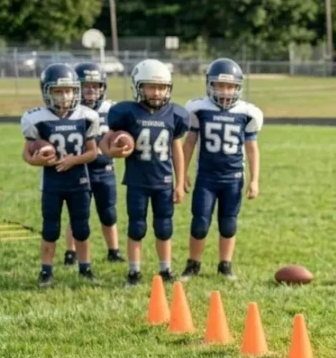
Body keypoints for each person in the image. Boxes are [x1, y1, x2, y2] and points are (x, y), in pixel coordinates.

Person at [101, 59, 189, 286]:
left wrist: (180, 184)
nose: (156, 92)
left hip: (163, 182)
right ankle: (134, 271)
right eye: (150, 86)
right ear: (138, 87)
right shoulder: (126, 113)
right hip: (137, 181)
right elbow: (105, 144)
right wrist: (115, 151)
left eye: (161, 87)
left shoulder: (174, 115)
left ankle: (165, 269)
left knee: (164, 227)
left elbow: (177, 151)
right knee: (136, 226)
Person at [180, 58, 263, 280]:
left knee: (228, 223)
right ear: (210, 85)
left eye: (230, 86)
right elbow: (189, 143)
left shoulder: (247, 112)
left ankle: (225, 264)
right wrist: (182, 174)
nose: (225, 91)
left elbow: (252, 149)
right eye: (219, 85)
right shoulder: (198, 109)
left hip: (233, 178)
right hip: (206, 177)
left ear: (238, 87)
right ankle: (193, 263)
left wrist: (254, 180)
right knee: (199, 223)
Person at [21, 63, 100, 287]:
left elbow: (93, 152)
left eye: (68, 90)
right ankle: (46, 271)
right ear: (47, 92)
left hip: (79, 181)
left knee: (82, 228)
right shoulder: (36, 118)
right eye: (58, 91)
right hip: (52, 182)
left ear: (75, 91)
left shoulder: (87, 116)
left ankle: (85, 267)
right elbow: (26, 154)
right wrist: (36, 160)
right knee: (50, 228)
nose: (64, 96)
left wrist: (73, 160)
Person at [63, 62, 123, 264]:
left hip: (104, 170)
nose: (91, 90)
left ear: (102, 87)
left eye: (95, 85)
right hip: (79, 170)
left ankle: (114, 251)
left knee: (108, 212)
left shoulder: (112, 110)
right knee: (77, 214)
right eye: (86, 86)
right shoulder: (72, 110)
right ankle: (70, 252)